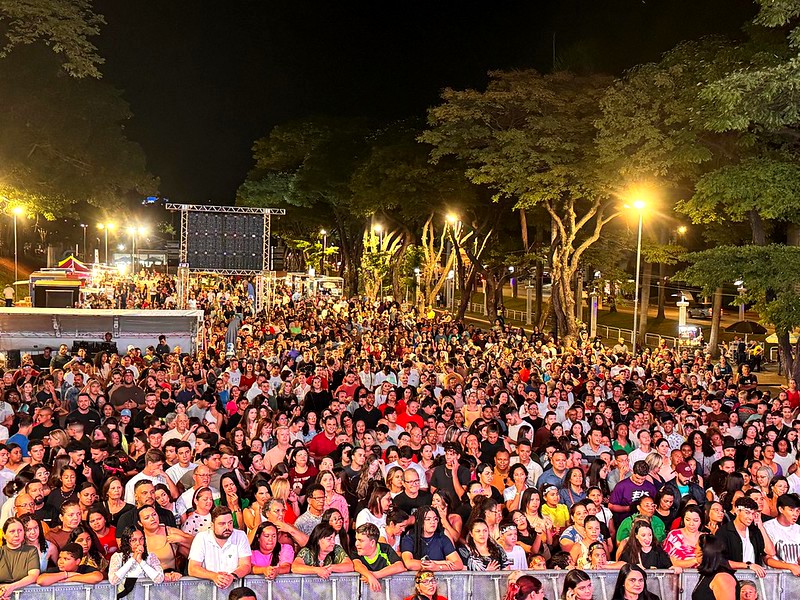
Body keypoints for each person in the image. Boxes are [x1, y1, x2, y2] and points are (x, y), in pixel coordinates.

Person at [187, 506, 252, 589]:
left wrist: (232, 576)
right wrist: (214, 576)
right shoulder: (201, 538)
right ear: (212, 525)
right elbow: (192, 568)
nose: (227, 527)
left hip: (234, 588)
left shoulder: (240, 536)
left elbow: (246, 565)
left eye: (230, 523)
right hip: (207, 589)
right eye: (222, 524)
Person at [400, 505, 464, 572]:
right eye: (428, 519)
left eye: (435, 519)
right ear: (420, 521)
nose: (433, 522)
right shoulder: (409, 539)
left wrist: (438, 567)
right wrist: (439, 563)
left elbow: (458, 564)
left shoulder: (442, 539)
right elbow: (409, 564)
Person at [108, 526, 165, 598]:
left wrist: (141, 561)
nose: (138, 543)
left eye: (141, 539)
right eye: (133, 540)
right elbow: (113, 580)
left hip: (146, 596)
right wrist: (133, 559)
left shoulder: (150, 556)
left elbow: (159, 579)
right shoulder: (118, 557)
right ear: (127, 541)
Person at [352, 522, 406, 592]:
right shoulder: (356, 550)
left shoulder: (385, 549)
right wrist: (369, 576)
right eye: (356, 539)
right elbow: (356, 565)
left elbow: (399, 566)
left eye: (361, 541)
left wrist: (375, 575)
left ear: (372, 543)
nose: (356, 544)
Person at [0, 517, 40, 598]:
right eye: (12, 531)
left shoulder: (31, 551)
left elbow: (33, 576)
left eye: (20, 530)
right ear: (4, 535)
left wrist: (12, 587)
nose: (17, 535)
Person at [36, 542, 104, 585]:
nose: (60, 561)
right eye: (60, 558)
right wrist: (66, 574)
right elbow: (41, 581)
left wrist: (71, 579)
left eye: (66, 559)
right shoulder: (55, 570)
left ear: (77, 561)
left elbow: (97, 577)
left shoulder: (85, 569)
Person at [692, 534, 736, 600]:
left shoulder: (722, 578)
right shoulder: (707, 574)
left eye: (697, 551)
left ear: (705, 554)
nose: (695, 553)